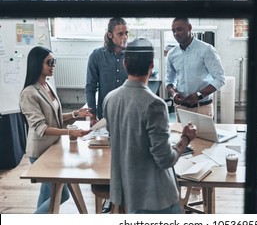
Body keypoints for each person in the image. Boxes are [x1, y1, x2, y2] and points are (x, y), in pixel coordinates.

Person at [103, 38, 197, 214]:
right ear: (152, 65)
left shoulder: (110, 98)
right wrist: (185, 139)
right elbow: (165, 160)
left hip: (130, 194)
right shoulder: (155, 104)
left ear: (124, 63)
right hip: (156, 197)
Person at [19, 46, 92, 214]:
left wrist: (75, 114)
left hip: (53, 148)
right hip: (40, 152)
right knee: (61, 195)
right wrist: (69, 132)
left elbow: (55, 117)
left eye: (54, 62)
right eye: (49, 62)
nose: (53, 65)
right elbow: (41, 128)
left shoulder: (47, 85)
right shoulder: (29, 93)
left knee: (47, 196)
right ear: (37, 64)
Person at [85, 17, 128, 212]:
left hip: (129, 114)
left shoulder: (131, 54)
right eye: (121, 33)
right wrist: (92, 113)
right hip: (106, 115)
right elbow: (90, 86)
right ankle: (110, 197)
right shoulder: (97, 56)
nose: (125, 37)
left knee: (127, 155)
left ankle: (126, 194)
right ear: (110, 35)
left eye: (126, 33)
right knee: (108, 158)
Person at [166, 17, 225, 118]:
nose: (176, 34)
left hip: (202, 108)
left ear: (189, 28)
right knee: (182, 134)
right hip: (181, 108)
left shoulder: (206, 50)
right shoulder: (172, 54)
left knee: (203, 135)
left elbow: (220, 79)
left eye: (179, 29)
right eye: (173, 31)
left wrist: (199, 95)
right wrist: (174, 93)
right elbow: (169, 81)